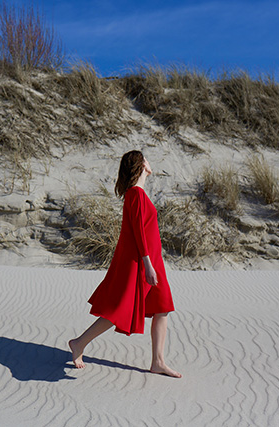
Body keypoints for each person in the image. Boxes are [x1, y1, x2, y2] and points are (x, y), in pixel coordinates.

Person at [68, 150, 182, 378]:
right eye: (146, 159)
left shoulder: (138, 194)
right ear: (141, 165)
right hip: (141, 263)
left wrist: (152, 263)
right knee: (119, 309)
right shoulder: (136, 195)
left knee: (162, 308)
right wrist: (147, 265)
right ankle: (79, 343)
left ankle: (158, 362)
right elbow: (139, 232)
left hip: (152, 261)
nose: (149, 162)